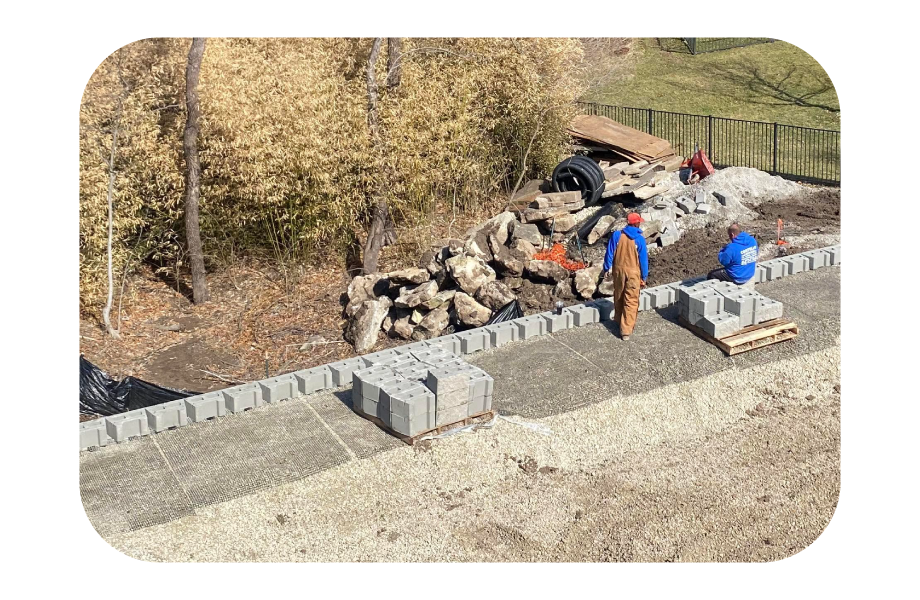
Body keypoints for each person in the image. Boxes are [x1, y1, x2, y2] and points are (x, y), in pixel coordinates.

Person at [603, 212, 648, 341]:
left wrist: (607, 268)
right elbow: (643, 261)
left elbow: (609, 253)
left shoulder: (617, 235)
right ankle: (626, 330)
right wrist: (644, 276)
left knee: (619, 295)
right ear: (637, 223)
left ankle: (618, 320)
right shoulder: (639, 239)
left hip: (618, 271)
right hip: (633, 273)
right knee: (631, 300)